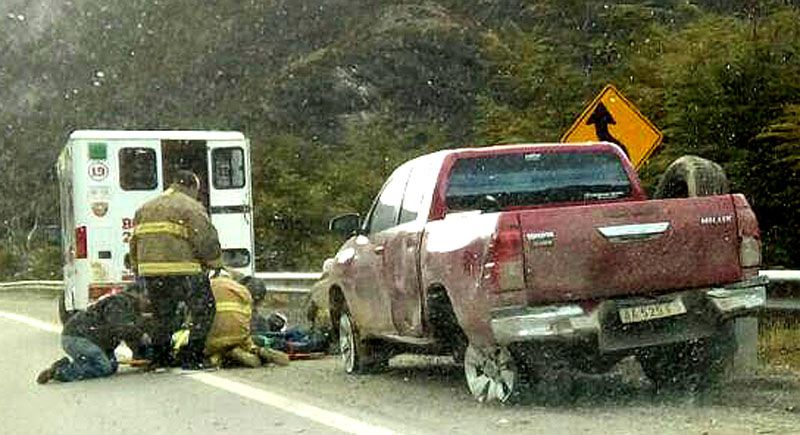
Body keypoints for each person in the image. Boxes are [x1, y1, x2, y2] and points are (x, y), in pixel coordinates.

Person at [129, 170, 221, 370]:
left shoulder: (145, 208)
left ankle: (161, 359)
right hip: (184, 270)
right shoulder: (191, 207)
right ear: (191, 187)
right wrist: (214, 262)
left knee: (163, 315)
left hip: (151, 272)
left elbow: (134, 242)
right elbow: (205, 239)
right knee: (204, 309)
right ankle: (192, 357)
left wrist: (138, 268)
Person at [36, 287, 150, 384]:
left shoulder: (128, 306)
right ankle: (60, 372)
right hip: (78, 337)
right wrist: (141, 336)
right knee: (104, 367)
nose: (148, 303)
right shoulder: (119, 303)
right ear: (137, 294)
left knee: (112, 365)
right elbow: (120, 328)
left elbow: (127, 332)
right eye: (146, 298)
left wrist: (142, 354)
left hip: (88, 337)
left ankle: (72, 364)